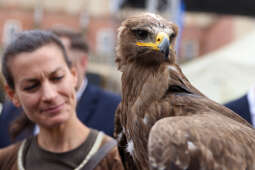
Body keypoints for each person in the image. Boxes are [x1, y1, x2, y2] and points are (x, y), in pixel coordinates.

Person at [0, 30, 124, 170]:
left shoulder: (118, 161)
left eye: (57, 78)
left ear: (73, 75)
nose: (50, 95)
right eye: (32, 86)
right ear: (13, 95)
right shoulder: (6, 161)